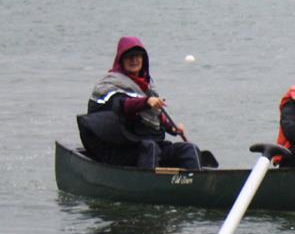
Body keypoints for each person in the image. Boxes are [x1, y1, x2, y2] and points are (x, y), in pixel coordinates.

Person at [76, 37, 203, 170]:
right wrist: (146, 102)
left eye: (137, 56)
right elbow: (123, 105)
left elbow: (156, 117)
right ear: (121, 60)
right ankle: (150, 187)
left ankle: (196, 185)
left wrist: (173, 128)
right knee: (150, 148)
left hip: (150, 145)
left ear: (143, 60)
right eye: (130, 57)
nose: (134, 60)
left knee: (190, 149)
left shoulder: (147, 86)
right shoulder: (111, 83)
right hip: (123, 148)